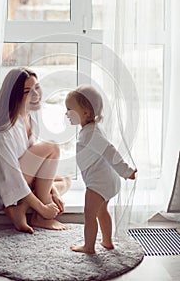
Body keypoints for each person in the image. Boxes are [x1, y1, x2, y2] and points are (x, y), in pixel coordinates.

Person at [0, 68, 71, 233]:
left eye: (37, 87)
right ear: (14, 96)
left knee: (65, 181)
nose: (36, 94)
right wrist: (43, 208)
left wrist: (53, 192)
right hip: (4, 188)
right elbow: (11, 177)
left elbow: (36, 164)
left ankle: (21, 209)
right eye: (28, 91)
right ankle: (41, 217)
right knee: (52, 148)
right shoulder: (3, 130)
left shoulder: (28, 116)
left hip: (22, 179)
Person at [65, 85, 137, 254]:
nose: (66, 113)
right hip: (106, 180)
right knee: (102, 211)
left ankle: (88, 247)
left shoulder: (91, 134)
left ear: (86, 112)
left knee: (89, 214)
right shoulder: (91, 130)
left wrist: (126, 171)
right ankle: (107, 241)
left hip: (99, 183)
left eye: (69, 109)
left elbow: (110, 151)